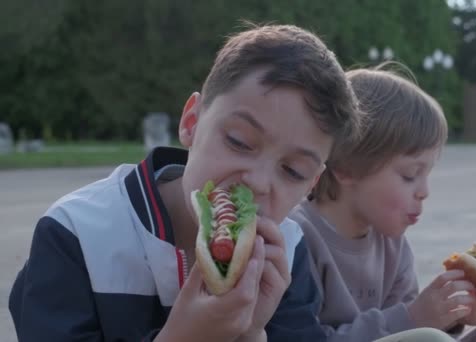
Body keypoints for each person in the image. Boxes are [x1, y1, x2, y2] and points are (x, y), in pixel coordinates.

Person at [9, 24, 362, 342]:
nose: (257, 181)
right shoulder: (77, 234)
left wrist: (252, 333)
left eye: (293, 171)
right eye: (238, 141)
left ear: (312, 184)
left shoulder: (288, 251)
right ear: (191, 122)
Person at [289, 65, 476, 342]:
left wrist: (451, 316)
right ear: (347, 167)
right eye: (410, 175)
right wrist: (413, 318)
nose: (424, 192)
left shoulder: (392, 244)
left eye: (427, 175)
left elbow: (411, 331)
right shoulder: (298, 238)